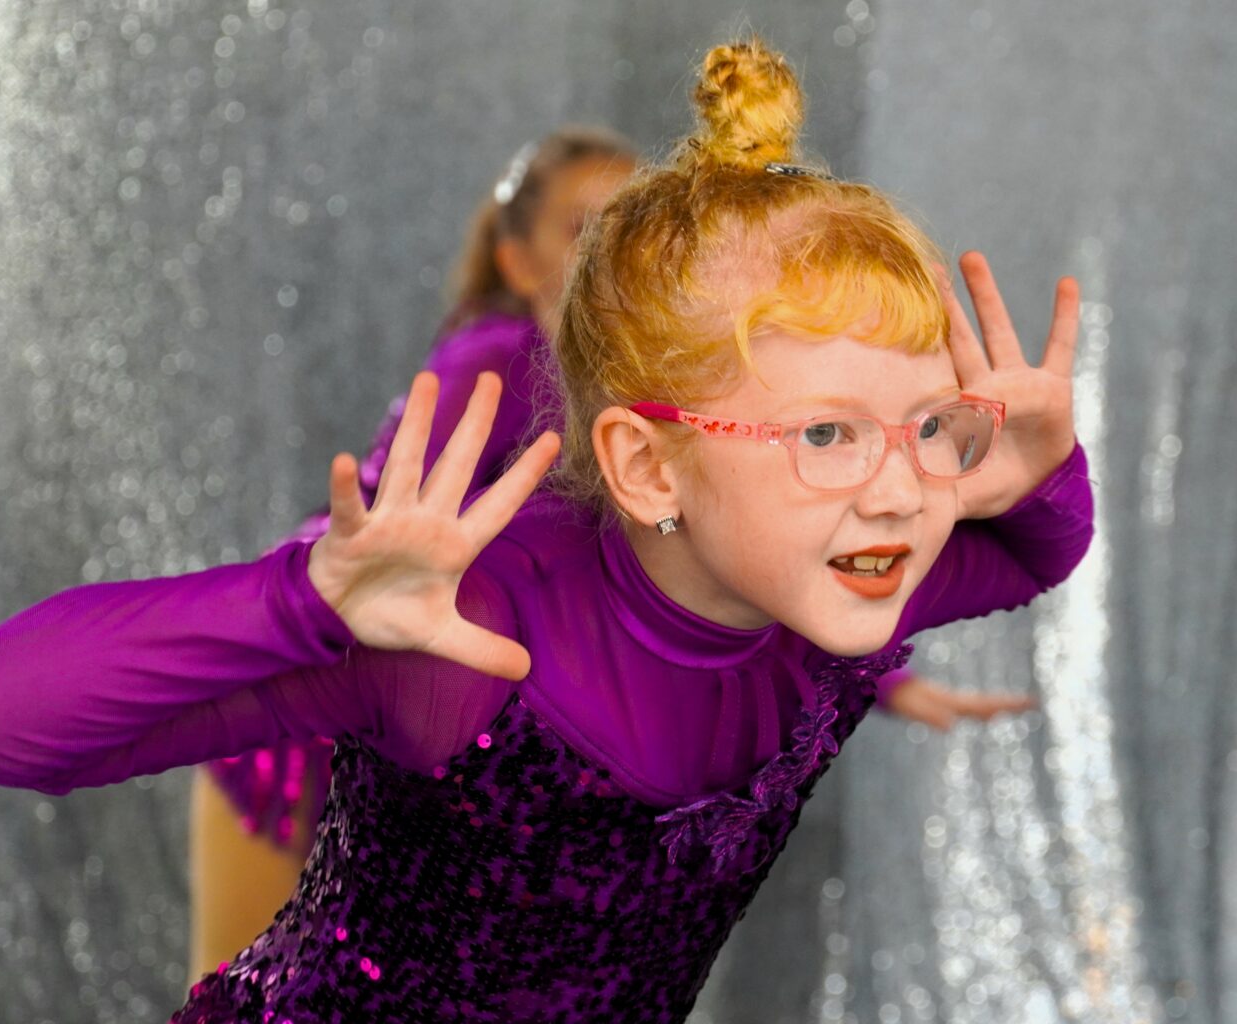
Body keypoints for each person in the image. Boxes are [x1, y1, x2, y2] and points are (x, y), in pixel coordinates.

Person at [0, 38, 1092, 1023]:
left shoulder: (835, 586)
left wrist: (1028, 472)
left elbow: (1041, 549)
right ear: (647, 466)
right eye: (830, 435)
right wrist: (304, 601)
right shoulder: (473, 646)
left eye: (931, 425)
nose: (899, 492)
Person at [190, 125, 1033, 979]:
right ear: (519, 265)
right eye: (582, 229)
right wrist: (296, 607)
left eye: (640, 226)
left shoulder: (695, 398)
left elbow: (756, 569)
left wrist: (888, 677)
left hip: (501, 753)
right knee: (267, 976)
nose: (619, 249)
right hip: (329, 735)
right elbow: (370, 518)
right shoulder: (488, 362)